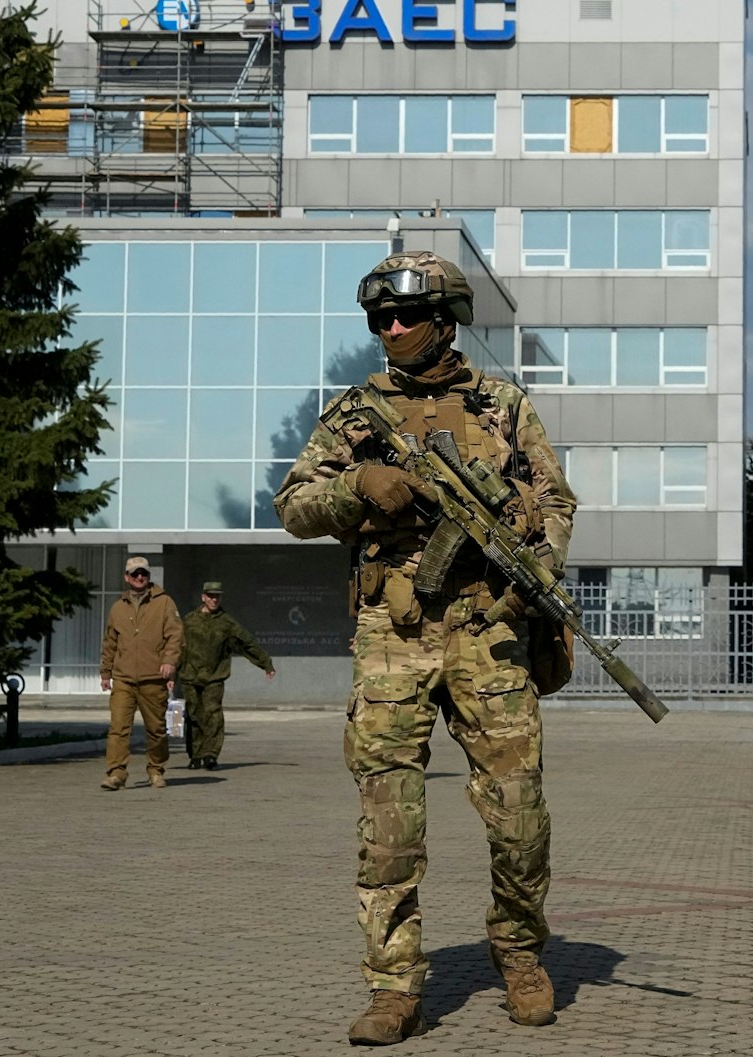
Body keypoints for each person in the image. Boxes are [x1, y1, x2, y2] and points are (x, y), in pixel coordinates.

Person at [274, 250, 577, 1045]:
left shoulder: (504, 405)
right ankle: (394, 988)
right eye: (380, 319)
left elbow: (555, 500)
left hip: (490, 629)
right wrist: (356, 489)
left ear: (447, 318)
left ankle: (518, 953)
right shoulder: (354, 413)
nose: (393, 328)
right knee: (389, 821)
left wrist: (531, 572)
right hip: (392, 637)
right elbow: (295, 504)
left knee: (519, 815)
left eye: (406, 315)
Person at [98, 555, 182, 791]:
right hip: (123, 678)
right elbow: (110, 642)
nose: (139, 577)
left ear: (148, 576)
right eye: (134, 574)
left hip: (153, 678)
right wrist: (106, 673)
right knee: (118, 728)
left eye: (143, 573)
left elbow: (175, 636)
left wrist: (169, 662)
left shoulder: (165, 603)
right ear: (127, 577)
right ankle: (116, 773)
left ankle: (156, 769)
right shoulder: (117, 608)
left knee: (155, 729)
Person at [176, 581, 276, 771]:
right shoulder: (189, 621)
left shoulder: (227, 623)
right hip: (190, 676)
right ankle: (195, 755)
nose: (214, 600)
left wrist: (266, 663)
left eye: (217, 596)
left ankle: (210, 755)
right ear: (203, 597)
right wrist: (170, 675)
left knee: (213, 715)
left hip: (214, 677)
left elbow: (247, 643)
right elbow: (178, 648)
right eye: (210, 596)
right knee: (194, 716)